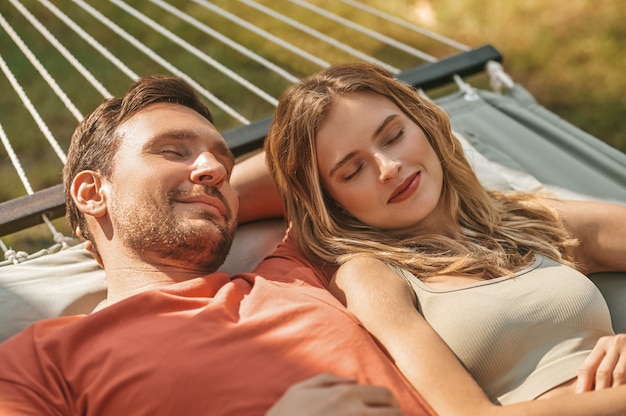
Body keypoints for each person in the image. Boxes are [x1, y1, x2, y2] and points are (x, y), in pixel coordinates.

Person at [0, 75, 431, 415]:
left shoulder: (294, 268)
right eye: (172, 151)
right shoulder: (39, 362)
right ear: (92, 193)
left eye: (222, 161)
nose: (212, 168)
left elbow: (319, 157)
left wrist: (200, 191)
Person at [261, 61, 626, 415]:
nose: (388, 168)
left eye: (394, 137)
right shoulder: (372, 276)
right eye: (353, 170)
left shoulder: (533, 220)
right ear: (332, 204)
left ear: (425, 124)